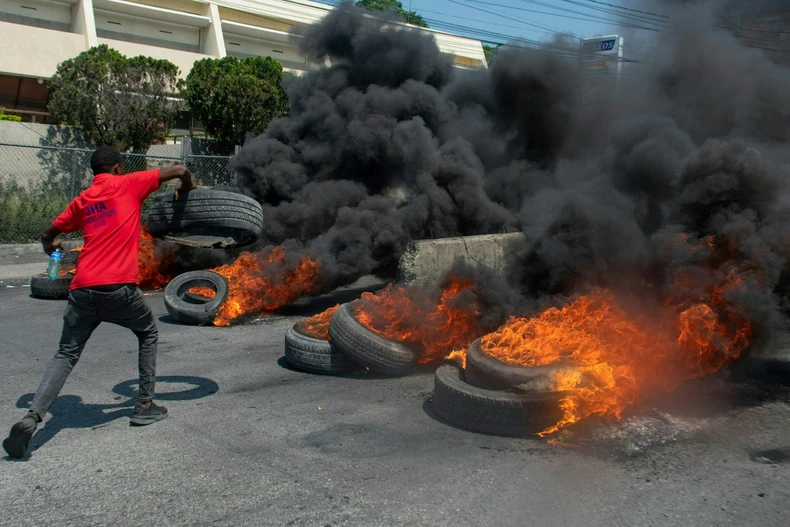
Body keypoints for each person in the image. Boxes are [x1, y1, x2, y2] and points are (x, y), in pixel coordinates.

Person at [3, 146, 196, 459]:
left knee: (66, 353)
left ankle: (32, 416)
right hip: (118, 288)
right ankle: (144, 405)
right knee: (147, 332)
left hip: (81, 289)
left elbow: (48, 232)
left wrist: (51, 247)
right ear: (118, 167)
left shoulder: (84, 199)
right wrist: (188, 187)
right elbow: (179, 170)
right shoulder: (129, 183)